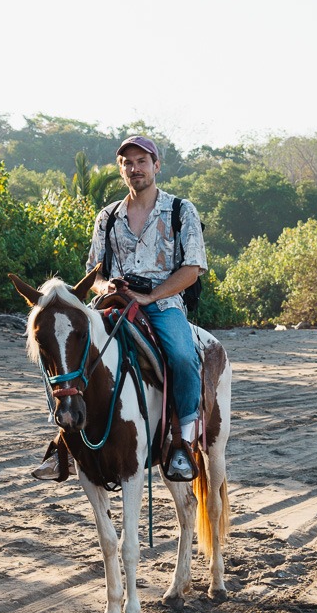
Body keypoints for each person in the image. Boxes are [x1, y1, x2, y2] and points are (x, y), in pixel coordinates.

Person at [36, 135, 206, 482]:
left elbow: (192, 269)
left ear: (156, 166)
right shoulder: (108, 216)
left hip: (163, 303)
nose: (135, 168)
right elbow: (94, 272)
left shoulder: (179, 210)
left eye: (142, 161)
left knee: (183, 357)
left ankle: (183, 445)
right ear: (121, 170)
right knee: (70, 353)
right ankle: (64, 445)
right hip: (111, 302)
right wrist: (105, 287)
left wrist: (150, 296)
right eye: (128, 163)